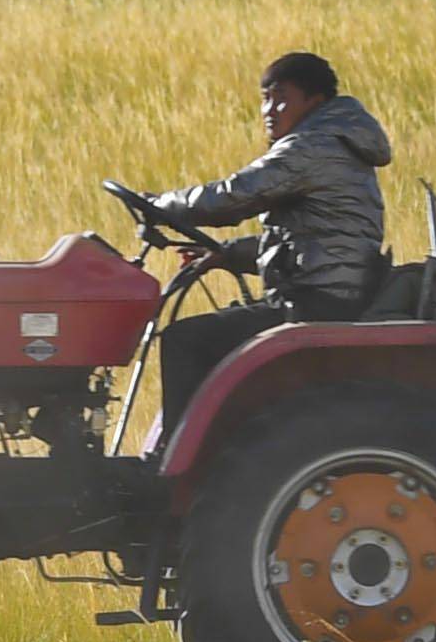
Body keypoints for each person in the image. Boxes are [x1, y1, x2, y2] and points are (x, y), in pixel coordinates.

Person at [145, 51, 394, 432]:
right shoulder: (335, 142)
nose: (269, 110)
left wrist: (158, 205)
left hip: (316, 301)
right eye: (265, 99)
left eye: (281, 98)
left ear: (315, 100)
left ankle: (172, 466)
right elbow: (303, 240)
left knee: (185, 341)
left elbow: (232, 197)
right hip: (323, 292)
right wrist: (225, 254)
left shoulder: (312, 147)